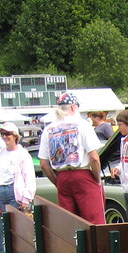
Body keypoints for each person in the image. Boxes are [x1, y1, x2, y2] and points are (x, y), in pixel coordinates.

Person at [38, 91, 105, 224]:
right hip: (83, 174)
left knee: (69, 223)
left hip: (62, 176)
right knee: (94, 221)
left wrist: (58, 182)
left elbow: (44, 164)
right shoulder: (82, 124)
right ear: (74, 107)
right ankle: (97, 245)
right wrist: (96, 178)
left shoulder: (49, 129)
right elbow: (94, 157)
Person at [0, 121, 36, 253]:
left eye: (7, 134)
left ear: (15, 136)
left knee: (16, 228)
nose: (4, 137)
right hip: (0, 192)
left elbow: (29, 177)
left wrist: (26, 198)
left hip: (15, 193)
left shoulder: (22, 154)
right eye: (2, 134)